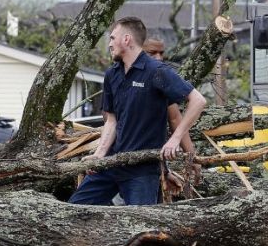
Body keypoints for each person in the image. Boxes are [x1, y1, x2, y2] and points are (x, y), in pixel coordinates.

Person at [69, 17, 207, 205]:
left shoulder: (156, 71)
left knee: (141, 227)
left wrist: (175, 140)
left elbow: (198, 101)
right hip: (111, 162)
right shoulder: (112, 74)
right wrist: (99, 155)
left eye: (112, 38)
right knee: (74, 209)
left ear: (126, 39)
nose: (109, 44)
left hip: (142, 171)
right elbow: (111, 121)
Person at [142, 39, 197, 159]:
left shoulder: (161, 79)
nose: (159, 58)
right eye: (152, 53)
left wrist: (192, 157)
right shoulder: (117, 76)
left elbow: (175, 118)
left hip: (151, 156)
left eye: (161, 53)